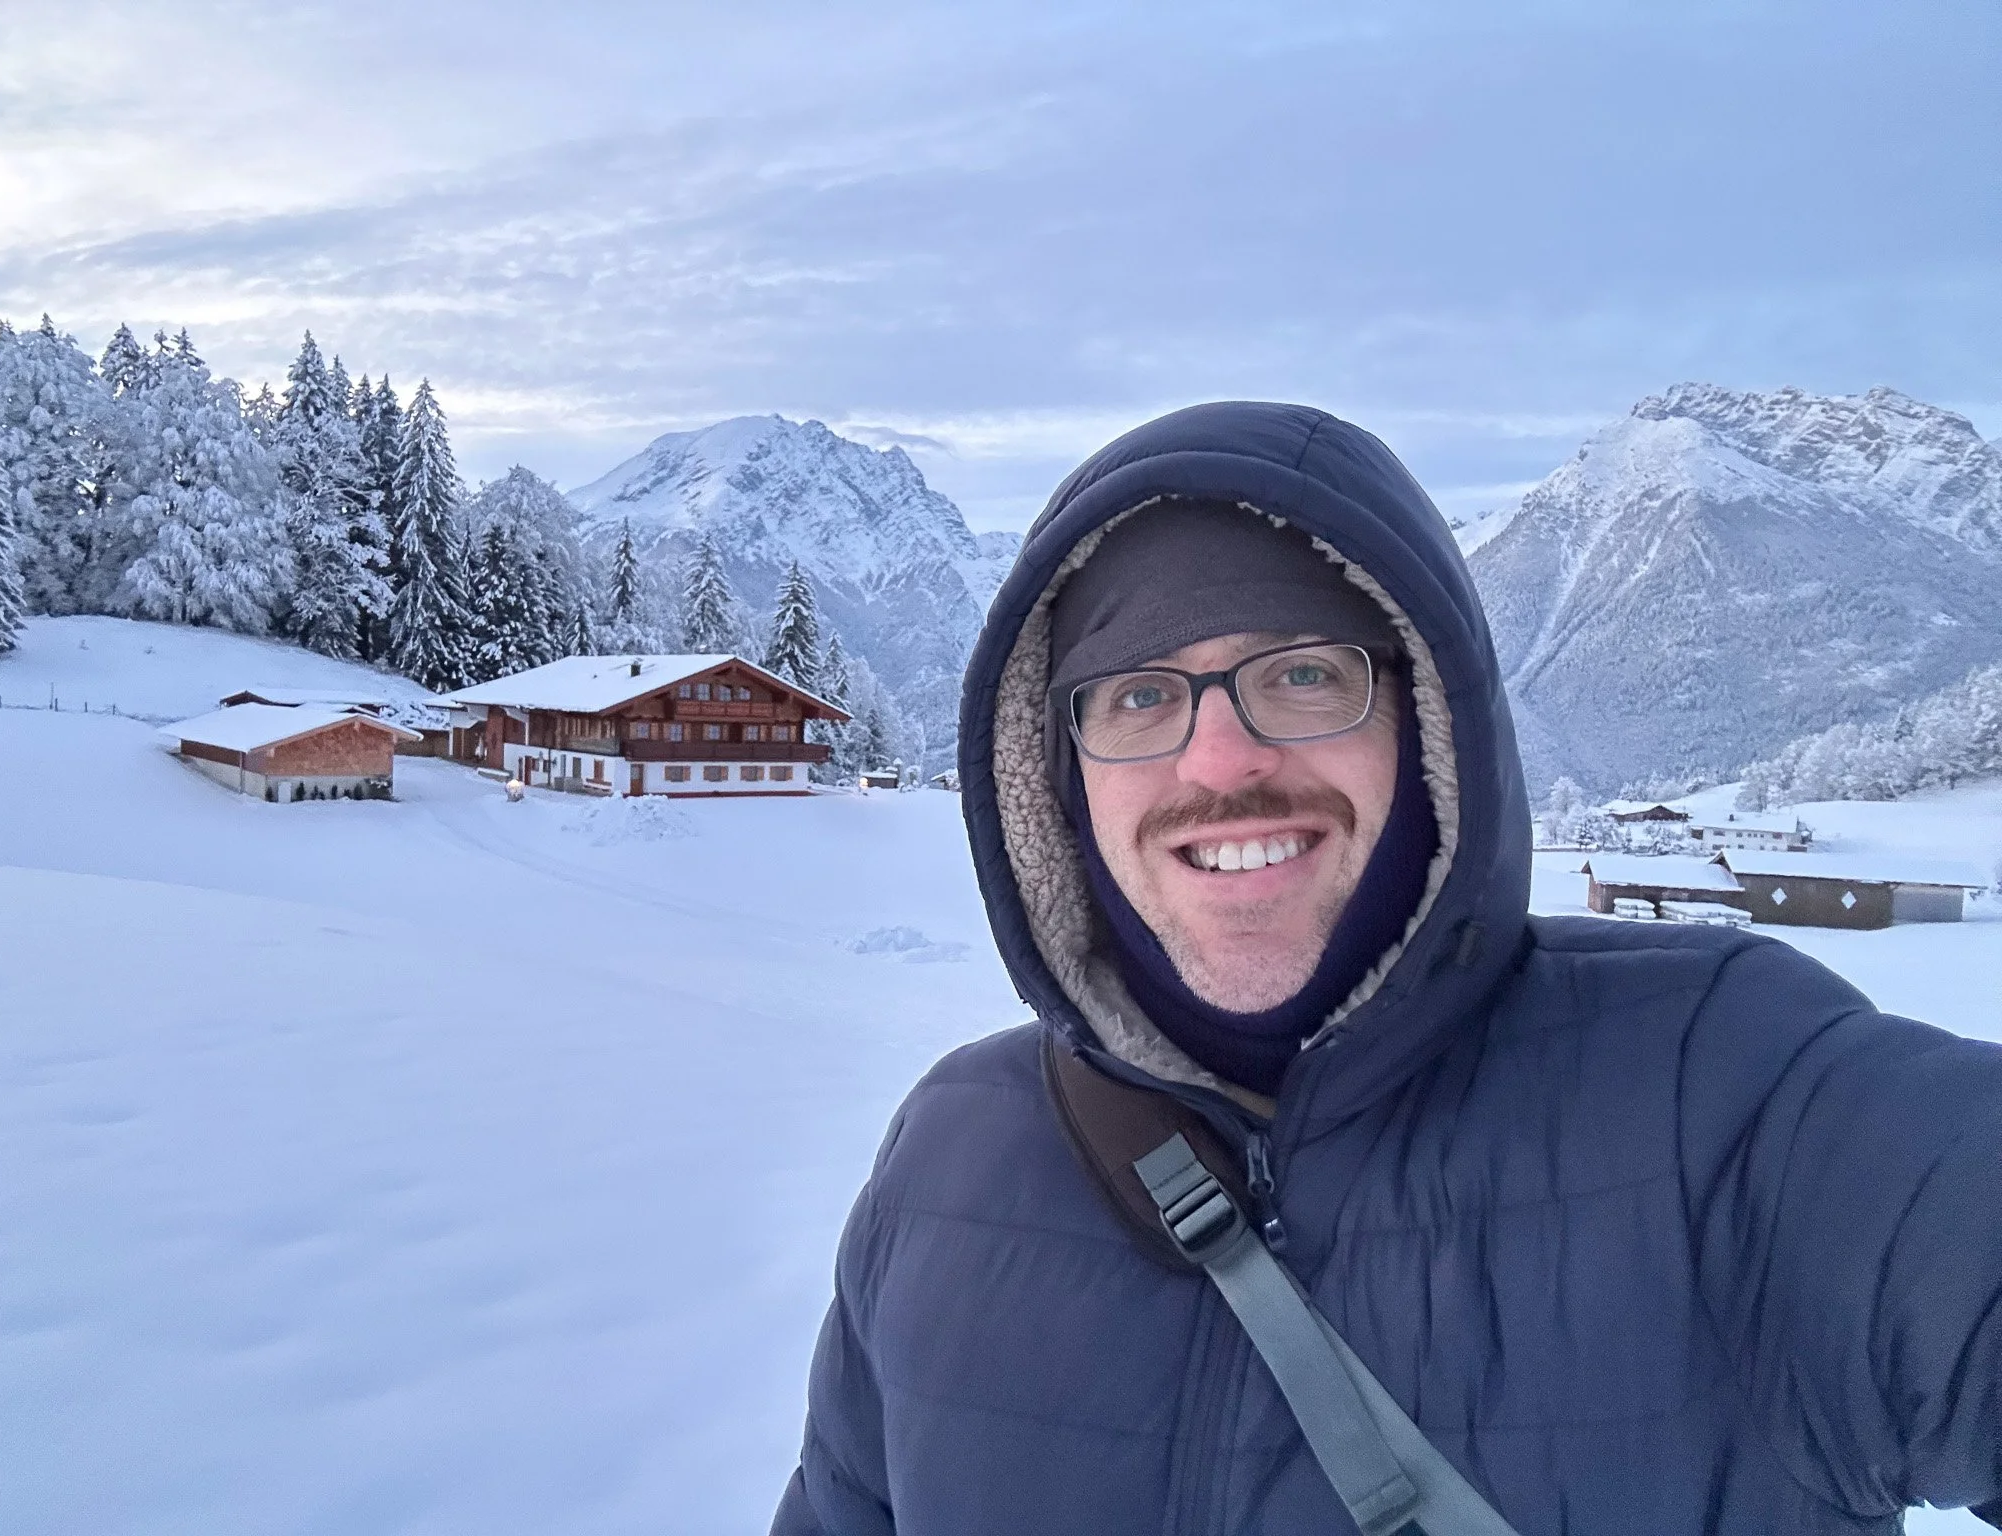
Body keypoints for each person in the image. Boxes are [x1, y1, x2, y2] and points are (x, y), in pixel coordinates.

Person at [770, 402, 2002, 1535]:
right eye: (1138, 696)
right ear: (1057, 782)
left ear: (1431, 730)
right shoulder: (950, 1154)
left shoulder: (1730, 1088)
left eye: (1301, 675)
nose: (1215, 764)